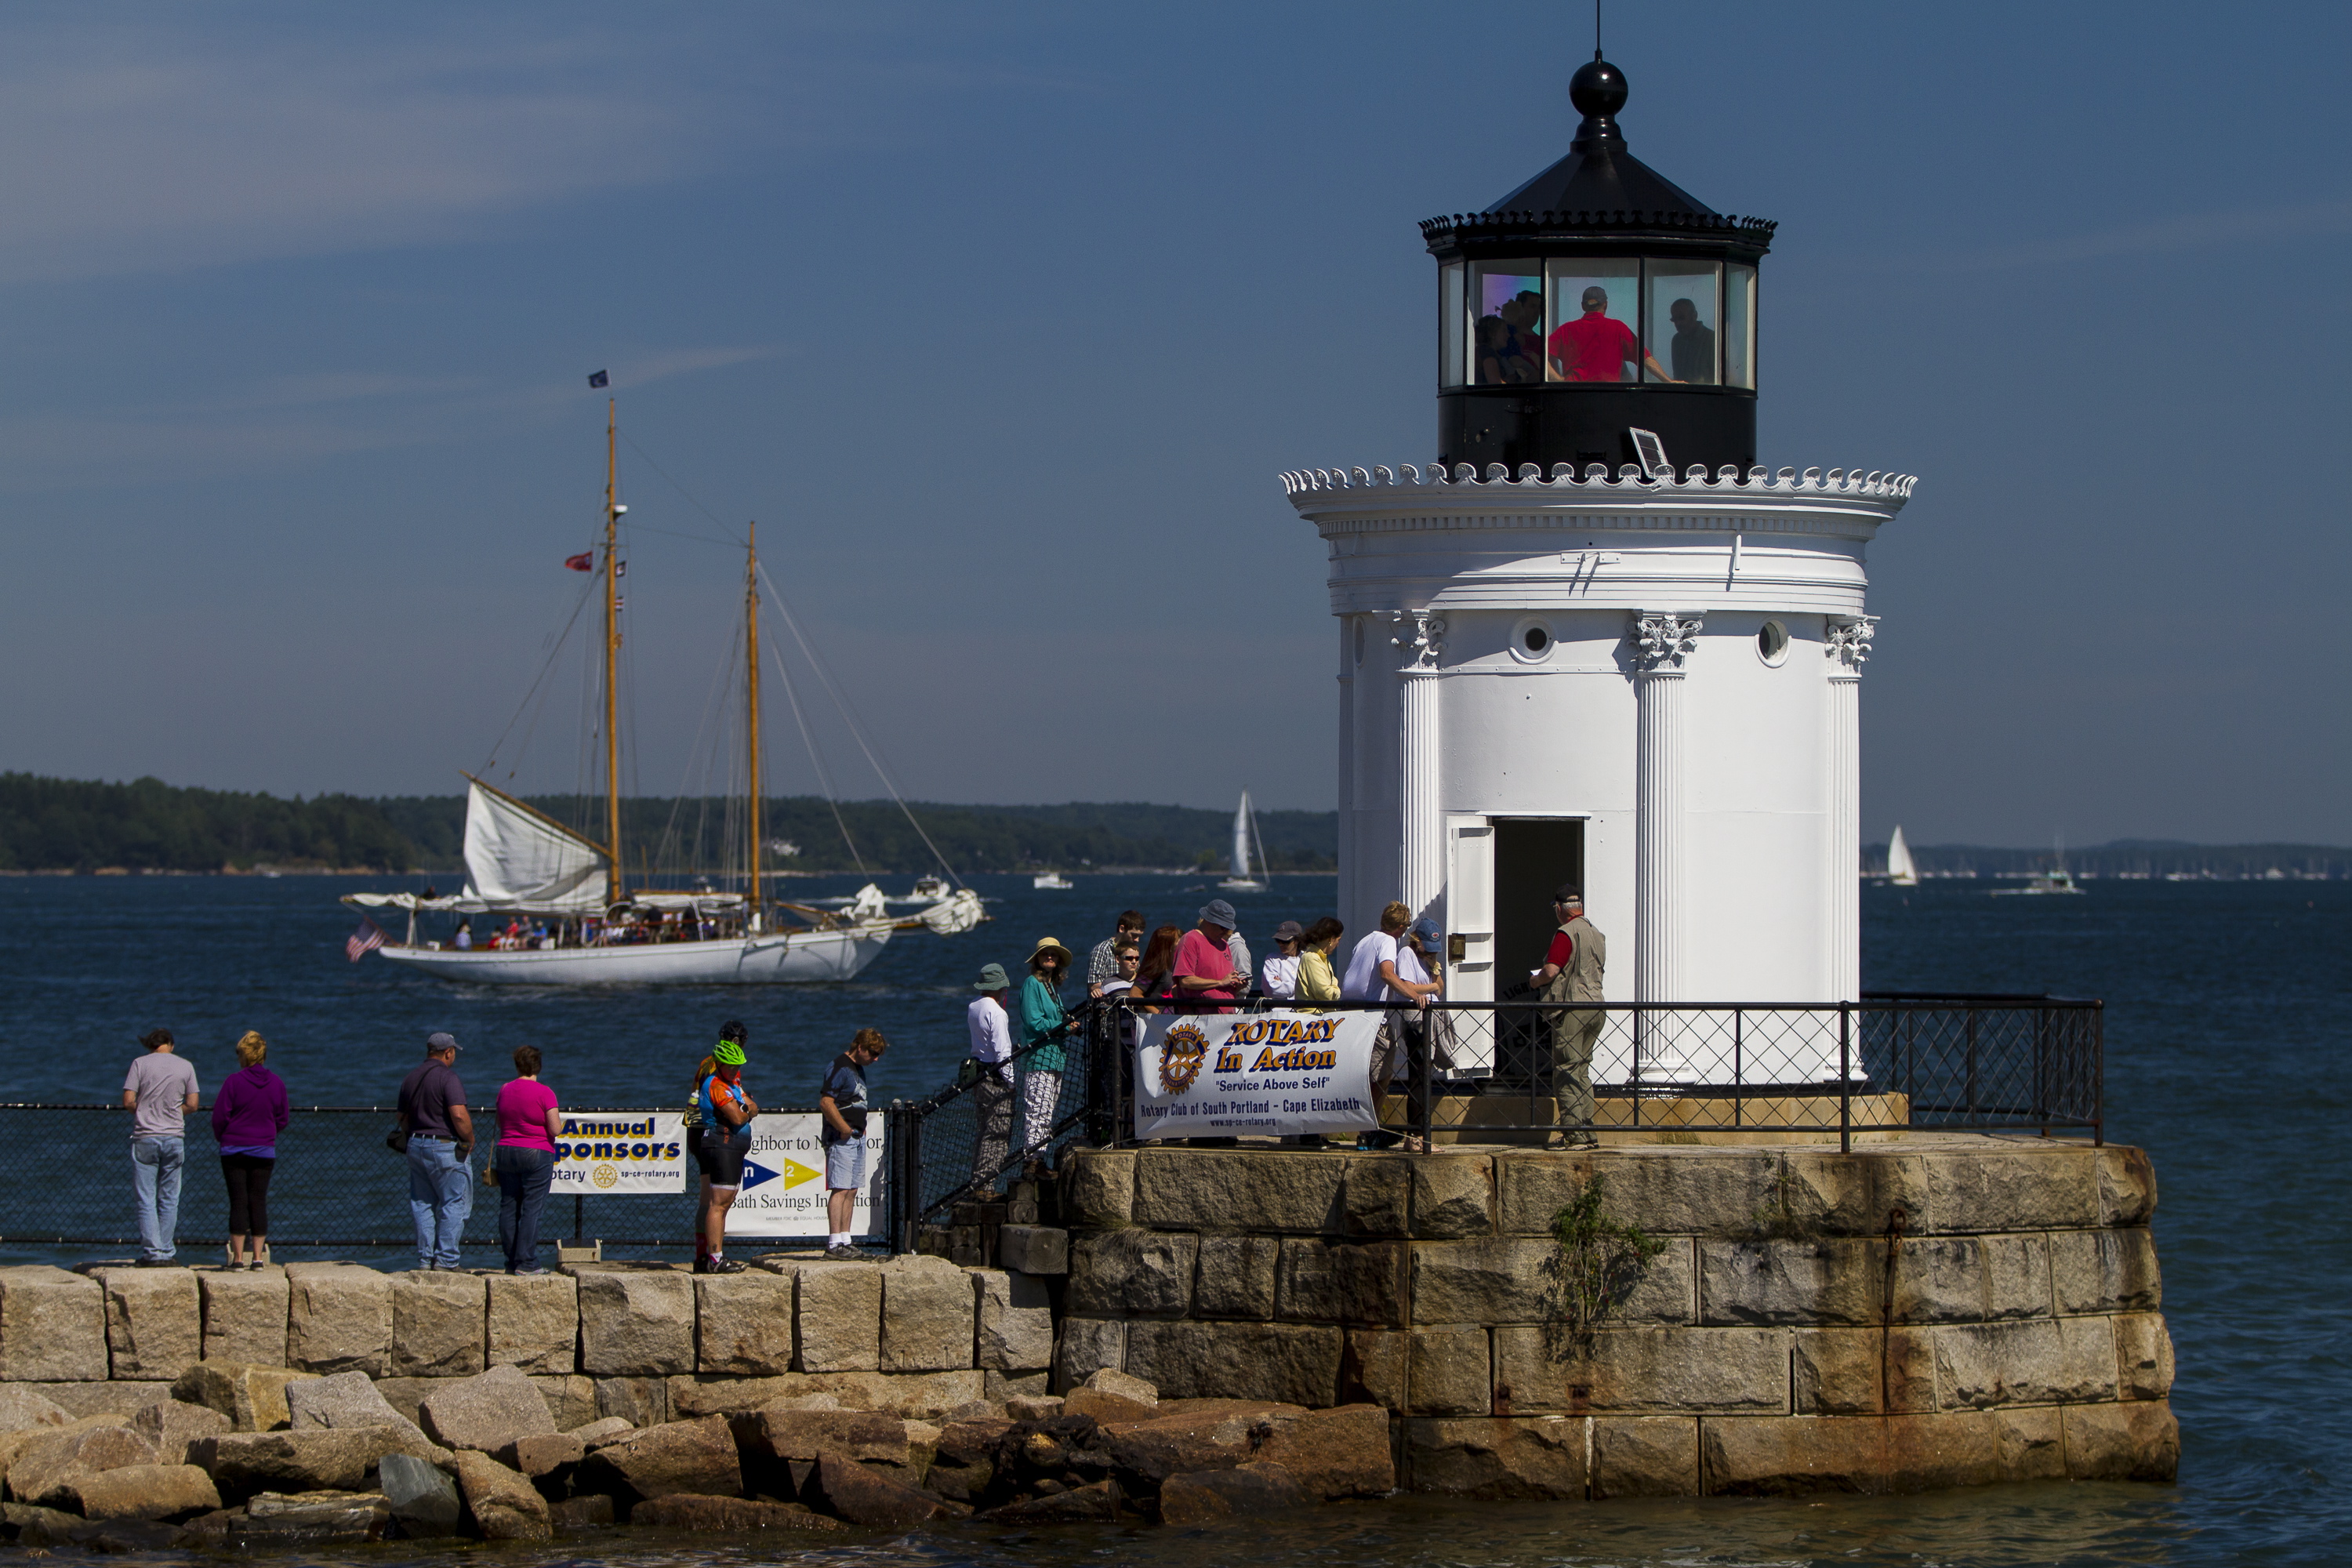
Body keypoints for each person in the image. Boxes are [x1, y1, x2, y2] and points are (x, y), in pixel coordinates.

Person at [1530, 885, 1607, 1149]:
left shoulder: (1566, 933)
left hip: (1572, 1008)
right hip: (1597, 1007)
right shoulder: (1596, 934)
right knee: (1581, 1070)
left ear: (1559, 908)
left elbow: (1551, 971)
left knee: (1565, 1071)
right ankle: (1588, 1133)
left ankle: (1574, 1135)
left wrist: (1534, 981)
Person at [209, 1030, 287, 1271]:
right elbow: (282, 1118)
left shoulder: (233, 1081)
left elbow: (219, 1117)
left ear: (243, 1055)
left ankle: (238, 1259)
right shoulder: (276, 1083)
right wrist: (268, 1133)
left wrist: (224, 1137)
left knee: (238, 1202)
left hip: (233, 1149)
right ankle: (258, 1258)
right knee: (258, 1201)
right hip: (263, 1149)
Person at [396, 1033, 474, 1271]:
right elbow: (459, 1115)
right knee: (454, 1202)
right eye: (453, 1053)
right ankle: (447, 1260)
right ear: (448, 1052)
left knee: (422, 1203)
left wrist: (415, 1137)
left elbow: (402, 1117)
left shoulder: (411, 1078)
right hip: (444, 1145)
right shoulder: (448, 1078)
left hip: (416, 1144)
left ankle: (425, 1259)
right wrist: (469, 1139)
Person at [123, 1027, 200, 1265]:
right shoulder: (185, 1065)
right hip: (174, 1137)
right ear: (171, 1044)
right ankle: (167, 1251)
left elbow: (128, 1101)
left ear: (150, 1045)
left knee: (146, 1198)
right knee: (169, 1197)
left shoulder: (139, 1064)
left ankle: (153, 1253)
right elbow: (193, 1104)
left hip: (146, 1136)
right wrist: (176, 1111)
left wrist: (145, 1110)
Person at [691, 1025, 758, 1274]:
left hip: (709, 1131)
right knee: (711, 1202)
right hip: (706, 1131)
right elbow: (737, 1111)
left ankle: (706, 1256)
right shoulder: (713, 1067)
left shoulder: (730, 1068)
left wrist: (745, 1106)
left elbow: (746, 1103)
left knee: (712, 1201)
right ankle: (708, 1257)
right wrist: (742, 1109)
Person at [494, 1046, 562, 1276]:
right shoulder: (545, 1093)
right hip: (536, 1153)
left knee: (509, 1206)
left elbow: (499, 1122)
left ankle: (511, 1262)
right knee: (532, 1209)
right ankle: (527, 1262)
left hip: (506, 1151)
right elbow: (555, 1128)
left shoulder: (504, 1090)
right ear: (538, 1067)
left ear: (517, 1065)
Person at [819, 1028, 887, 1259]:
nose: (876, 1059)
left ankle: (845, 1240)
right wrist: (844, 1129)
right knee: (840, 1188)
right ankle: (833, 1242)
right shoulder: (840, 1067)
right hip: (841, 1138)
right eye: (873, 1053)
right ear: (861, 1048)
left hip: (858, 1136)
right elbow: (826, 1102)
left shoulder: (857, 1069)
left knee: (852, 1189)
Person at [1018, 938, 1079, 1160]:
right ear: (1037, 960)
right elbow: (1034, 1022)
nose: (1050, 957)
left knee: (1046, 1111)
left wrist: (1067, 1025)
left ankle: (1038, 1158)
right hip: (1039, 1058)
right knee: (1038, 1111)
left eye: (1054, 954)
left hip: (1054, 1058)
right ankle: (1034, 1161)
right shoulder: (1032, 984)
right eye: (1045, 954)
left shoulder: (1049, 986)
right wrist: (1064, 1028)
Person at [1548, 285, 1676, 383]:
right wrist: (1667, 381)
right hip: (1608, 397)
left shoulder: (1565, 330)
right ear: (1605, 305)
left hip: (1573, 395)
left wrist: (1558, 380)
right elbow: (1645, 358)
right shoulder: (1618, 328)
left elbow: (1541, 353)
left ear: (1583, 306)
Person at [967, 964, 1017, 1183]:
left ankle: (977, 1180)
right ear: (1000, 987)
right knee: (997, 1133)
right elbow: (1003, 1050)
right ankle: (985, 1184)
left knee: (984, 1129)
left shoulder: (974, 1006)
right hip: (995, 1077)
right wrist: (1011, 1081)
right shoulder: (997, 1012)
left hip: (978, 1073)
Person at [1174, 900, 1250, 1012]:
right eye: (1223, 927)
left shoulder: (1224, 944)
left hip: (1227, 1017)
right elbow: (1185, 980)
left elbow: (1225, 981)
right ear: (1209, 921)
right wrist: (1220, 982)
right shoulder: (1191, 939)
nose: (1225, 932)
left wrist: (1237, 985)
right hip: (1201, 1020)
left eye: (1228, 929)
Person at [1087, 911, 1145, 1000]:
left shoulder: (1134, 951)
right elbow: (1094, 985)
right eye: (1134, 935)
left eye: (1139, 936)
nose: (1137, 940)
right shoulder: (1102, 950)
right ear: (1122, 929)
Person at [1131, 925, 1183, 1013]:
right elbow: (1134, 994)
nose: (1180, 942)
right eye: (1177, 940)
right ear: (1168, 944)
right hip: (1155, 1022)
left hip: (1169, 1020)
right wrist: (1156, 1013)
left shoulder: (1171, 967)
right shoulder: (1155, 968)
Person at [1294, 917, 1345, 1007]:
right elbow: (1325, 994)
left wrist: (1333, 988)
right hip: (1313, 1017)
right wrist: (1337, 990)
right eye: (1338, 940)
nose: (1338, 944)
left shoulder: (1322, 958)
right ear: (1331, 940)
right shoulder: (1311, 958)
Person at [1668, 296, 1716, 385]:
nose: (1678, 324)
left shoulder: (1712, 339)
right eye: (1674, 320)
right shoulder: (1677, 341)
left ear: (1695, 316)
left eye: (1681, 318)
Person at [1260, 920, 1305, 1000]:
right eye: (1278, 941)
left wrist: (1283, 985)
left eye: (1285, 941)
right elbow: (1271, 989)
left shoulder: (1306, 958)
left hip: (1303, 1011)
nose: (1280, 944)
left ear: (1297, 940)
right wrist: (1302, 987)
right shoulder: (1272, 959)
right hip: (1280, 1011)